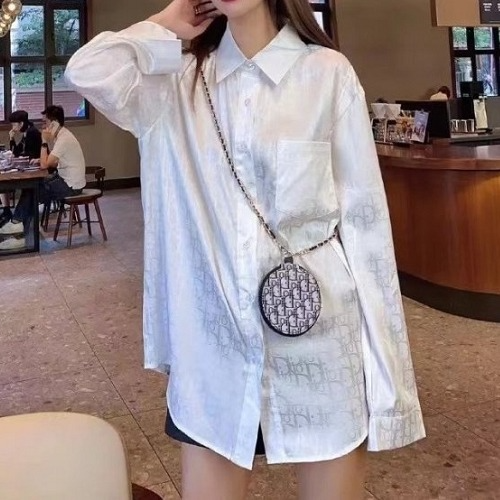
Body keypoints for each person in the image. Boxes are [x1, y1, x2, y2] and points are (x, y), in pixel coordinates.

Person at [65, 1, 426, 499]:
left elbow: (367, 231)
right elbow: (87, 69)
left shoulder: (327, 75)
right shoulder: (177, 83)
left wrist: (390, 388)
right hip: (213, 358)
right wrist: (167, 22)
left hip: (319, 348)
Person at [0, 105, 86, 251]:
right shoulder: (62, 135)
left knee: (32, 190)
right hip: (65, 180)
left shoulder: (64, 139)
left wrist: (44, 141)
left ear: (54, 124)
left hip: (71, 186)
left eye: (45, 123)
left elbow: (45, 165)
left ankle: (17, 228)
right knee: (31, 188)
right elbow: (53, 161)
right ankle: (18, 229)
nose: (43, 126)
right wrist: (40, 160)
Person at [0, 110, 43, 228]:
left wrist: (17, 156)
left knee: (23, 188)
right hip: (30, 166)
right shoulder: (26, 133)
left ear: (21, 123)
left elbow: (29, 154)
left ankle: (16, 219)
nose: (13, 127)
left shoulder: (32, 132)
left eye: (14, 124)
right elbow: (16, 152)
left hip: (36, 169)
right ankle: (8, 212)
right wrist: (11, 138)